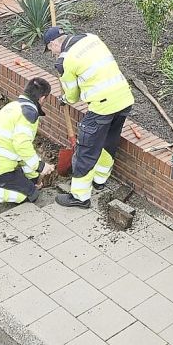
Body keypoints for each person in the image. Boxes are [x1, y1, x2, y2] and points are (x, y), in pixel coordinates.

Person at [43, 26, 135, 209]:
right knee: (109, 142)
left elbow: (73, 96)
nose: (51, 53)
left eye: (49, 49)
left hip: (102, 106)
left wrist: (64, 98)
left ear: (54, 43)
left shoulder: (65, 61)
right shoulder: (91, 38)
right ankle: (100, 180)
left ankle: (80, 197)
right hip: (124, 99)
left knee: (85, 150)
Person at [0, 77, 55, 206]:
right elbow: (22, 146)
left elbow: (21, 153)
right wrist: (41, 167)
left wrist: (34, 178)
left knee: (21, 176)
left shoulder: (13, 106)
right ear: (42, 99)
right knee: (30, 194)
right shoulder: (29, 114)